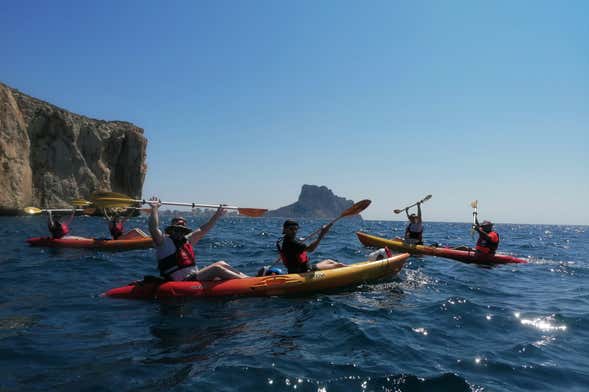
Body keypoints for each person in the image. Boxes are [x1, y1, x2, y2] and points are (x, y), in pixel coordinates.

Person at [148, 197, 248, 281]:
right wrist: (154, 208)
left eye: (183, 226)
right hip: (181, 281)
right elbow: (153, 228)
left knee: (221, 263)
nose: (180, 227)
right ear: (171, 228)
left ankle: (248, 279)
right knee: (216, 269)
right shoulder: (163, 242)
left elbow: (204, 229)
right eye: (177, 225)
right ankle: (248, 283)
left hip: (194, 276)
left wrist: (217, 215)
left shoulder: (187, 240)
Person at [277, 219, 345, 274]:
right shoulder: (293, 242)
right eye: (291, 229)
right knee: (338, 265)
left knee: (329, 261)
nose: (294, 231)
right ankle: (350, 270)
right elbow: (311, 249)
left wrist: (301, 240)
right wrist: (322, 234)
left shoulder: (284, 240)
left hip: (298, 269)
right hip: (303, 272)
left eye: (296, 229)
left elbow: (298, 246)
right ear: (284, 230)